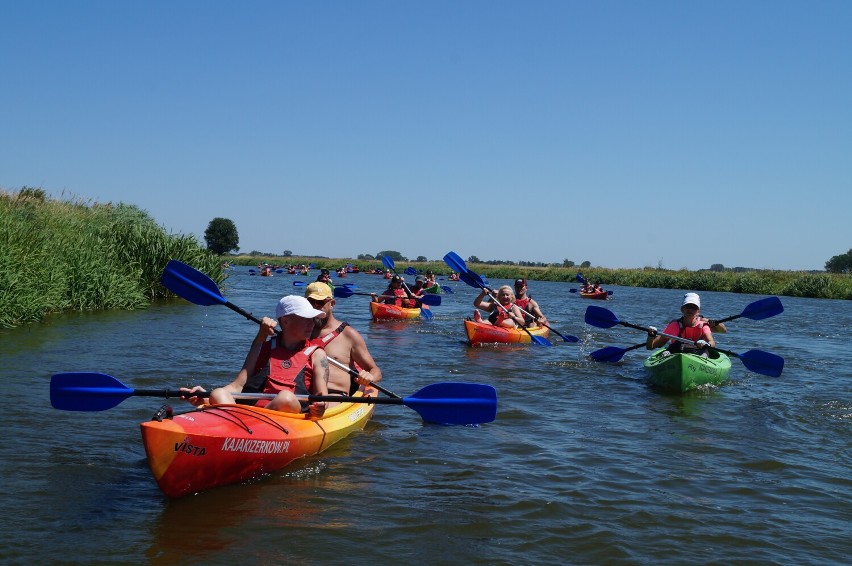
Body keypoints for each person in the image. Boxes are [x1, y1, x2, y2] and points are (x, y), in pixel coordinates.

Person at [181, 296, 330, 416]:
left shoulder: (317, 354)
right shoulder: (264, 347)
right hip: (250, 416)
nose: (311, 324)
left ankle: (240, 428)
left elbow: (322, 396)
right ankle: (235, 428)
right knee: (218, 392)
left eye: (312, 319)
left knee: (286, 398)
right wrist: (207, 396)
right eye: (305, 319)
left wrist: (321, 406)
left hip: (290, 417)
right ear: (285, 321)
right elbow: (237, 385)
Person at [304, 282, 382, 400]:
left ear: (332, 304)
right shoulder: (299, 330)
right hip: (302, 393)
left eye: (320, 303)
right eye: (310, 303)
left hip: (334, 396)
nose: (315, 307)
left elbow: (375, 370)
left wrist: (369, 377)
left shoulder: (348, 334)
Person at [646, 292, 715, 356]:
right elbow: (650, 347)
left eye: (693, 307)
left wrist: (707, 344)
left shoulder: (703, 326)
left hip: (697, 357)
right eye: (687, 307)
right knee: (665, 354)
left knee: (705, 353)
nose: (690, 310)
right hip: (676, 357)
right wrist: (650, 336)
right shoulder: (674, 325)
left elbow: (712, 342)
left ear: (698, 311)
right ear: (682, 309)